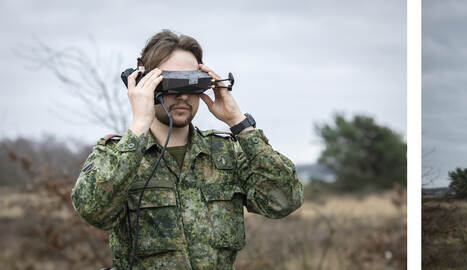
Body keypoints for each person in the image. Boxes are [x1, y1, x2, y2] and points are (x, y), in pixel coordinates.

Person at [71, 29, 303, 269]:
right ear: (145, 84)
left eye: (192, 82)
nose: (183, 95)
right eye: (171, 82)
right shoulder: (115, 155)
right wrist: (139, 124)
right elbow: (94, 210)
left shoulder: (226, 153)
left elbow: (285, 200)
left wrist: (239, 122)